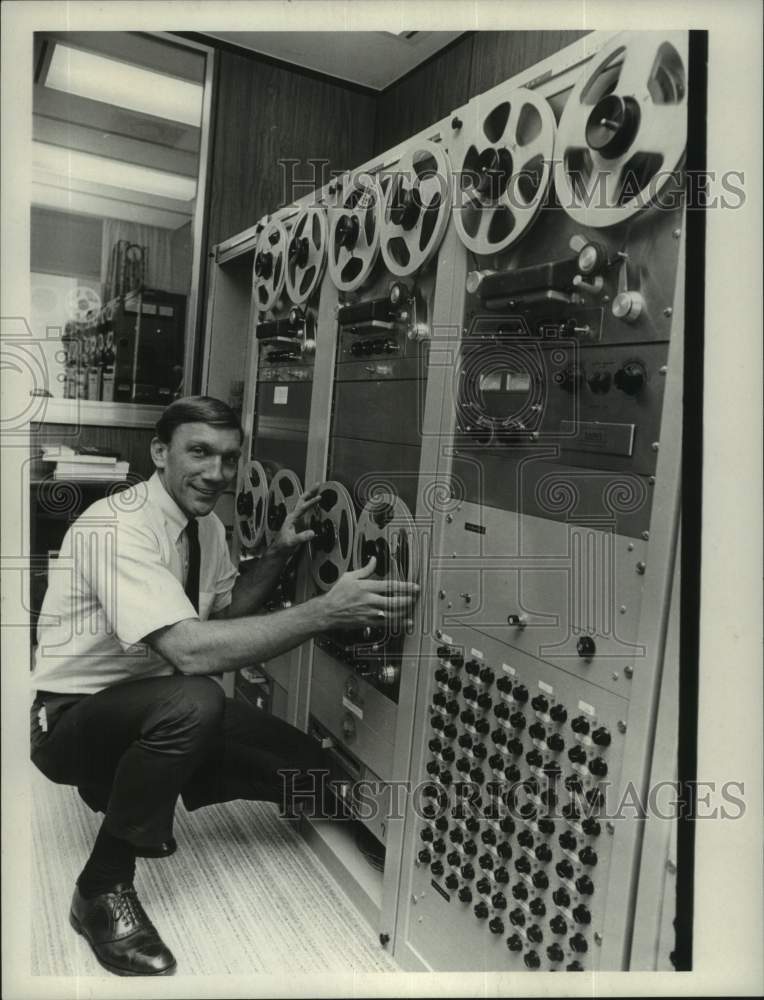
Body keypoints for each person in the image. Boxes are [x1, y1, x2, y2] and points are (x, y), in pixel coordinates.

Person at [30, 395, 418, 977]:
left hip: (151, 704)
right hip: (71, 720)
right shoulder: (119, 525)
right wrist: (323, 612)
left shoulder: (203, 525)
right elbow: (189, 649)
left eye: (230, 458)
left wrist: (279, 553)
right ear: (160, 453)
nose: (217, 473)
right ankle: (101, 888)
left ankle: (155, 777)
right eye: (200, 453)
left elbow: (225, 612)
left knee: (313, 773)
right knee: (199, 698)